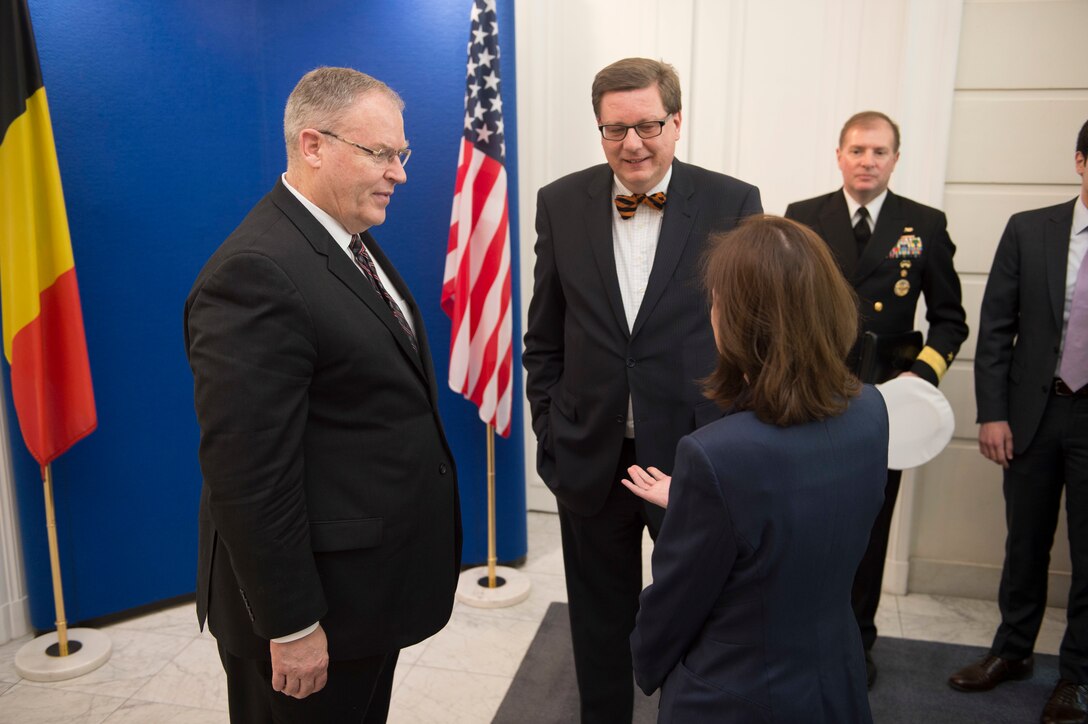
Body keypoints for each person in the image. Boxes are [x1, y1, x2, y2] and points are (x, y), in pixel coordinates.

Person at [184, 67, 461, 723]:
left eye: (403, 154)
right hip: (312, 617)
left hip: (364, 601)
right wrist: (291, 623)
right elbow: (248, 474)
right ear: (312, 145)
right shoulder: (257, 273)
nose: (399, 172)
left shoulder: (347, 242)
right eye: (382, 153)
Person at [522, 57, 762, 722]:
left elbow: (749, 337)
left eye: (648, 125)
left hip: (696, 454)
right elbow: (544, 337)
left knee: (701, 610)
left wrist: (739, 444)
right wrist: (552, 431)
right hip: (589, 452)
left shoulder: (732, 201)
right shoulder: (559, 201)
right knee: (598, 622)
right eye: (614, 129)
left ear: (677, 122)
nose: (631, 143)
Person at [625, 215, 888, 723]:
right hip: (836, 678)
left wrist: (645, 661)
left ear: (739, 318)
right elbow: (802, 511)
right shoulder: (872, 410)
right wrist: (706, 504)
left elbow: (673, 610)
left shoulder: (715, 454)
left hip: (735, 697)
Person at [784, 110, 968, 687]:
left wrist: (921, 377)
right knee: (803, 520)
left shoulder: (925, 225)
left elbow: (950, 321)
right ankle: (799, 634)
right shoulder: (802, 218)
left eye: (880, 152)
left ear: (895, 158)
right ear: (839, 155)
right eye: (858, 150)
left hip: (886, 400)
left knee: (868, 524)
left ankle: (855, 642)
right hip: (812, 392)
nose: (868, 161)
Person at [947, 120, 1088, 724]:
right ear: (1081, 161)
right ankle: (1012, 652)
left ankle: (1078, 676)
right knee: (1024, 543)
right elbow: (996, 328)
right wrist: (993, 413)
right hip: (1034, 413)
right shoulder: (1031, 230)